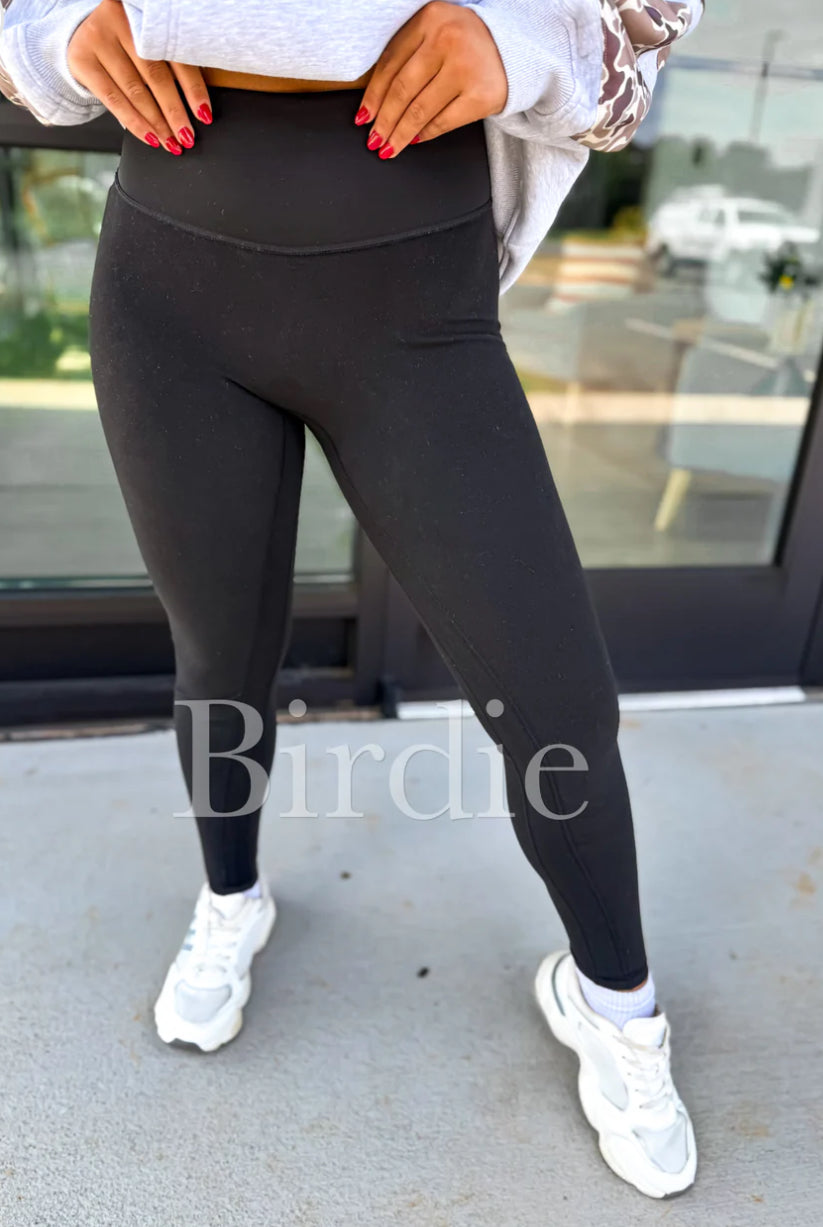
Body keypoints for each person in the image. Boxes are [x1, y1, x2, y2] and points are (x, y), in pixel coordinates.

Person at [0, 0, 704, 1199]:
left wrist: (525, 45)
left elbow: (647, 16)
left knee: (556, 704)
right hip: (169, 273)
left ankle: (615, 1004)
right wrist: (53, 33)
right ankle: (232, 899)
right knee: (218, 649)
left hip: (408, 286)